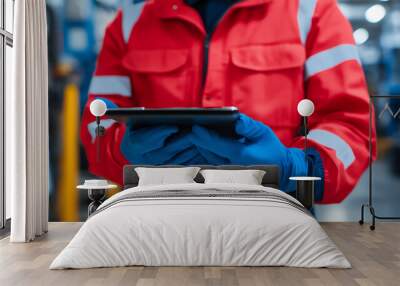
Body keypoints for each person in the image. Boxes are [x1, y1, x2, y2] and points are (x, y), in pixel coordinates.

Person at [81, 0, 376, 204]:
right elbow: (97, 123)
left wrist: (295, 167)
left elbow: (351, 127)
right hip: (156, 218)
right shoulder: (131, 20)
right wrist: (121, 150)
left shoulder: (312, 11)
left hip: (276, 220)